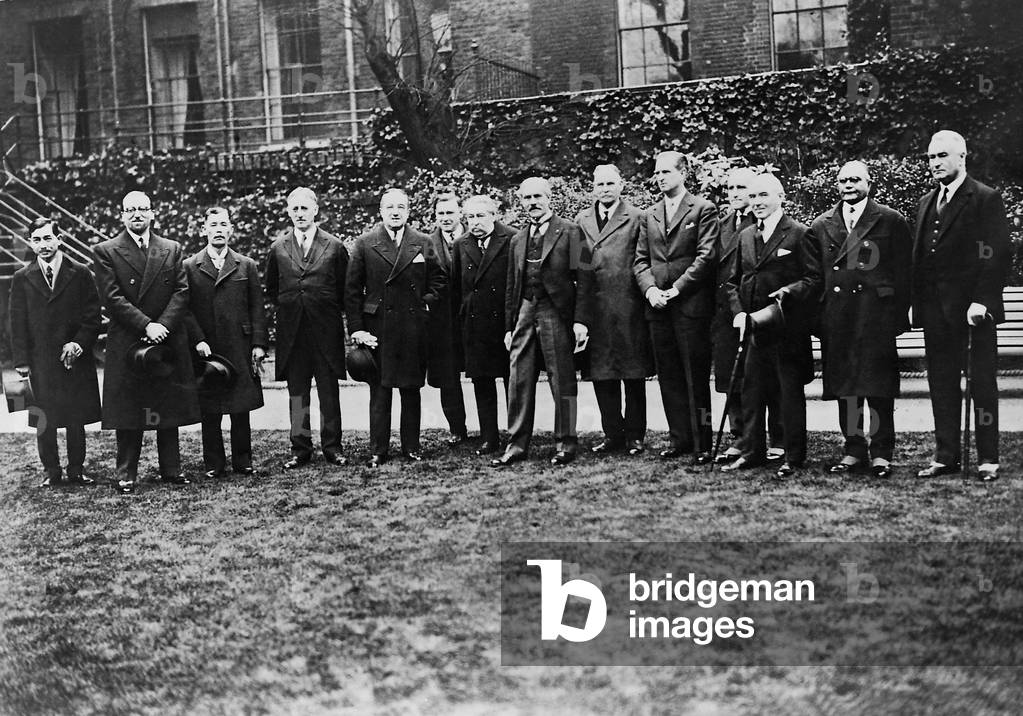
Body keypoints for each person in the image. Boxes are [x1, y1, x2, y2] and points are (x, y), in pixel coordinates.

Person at [912, 130, 1011, 482]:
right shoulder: (926, 203)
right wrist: (917, 304)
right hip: (936, 314)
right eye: (930, 157)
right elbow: (920, 259)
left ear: (961, 157)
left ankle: (987, 459)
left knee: (982, 384)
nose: (935, 163)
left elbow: (996, 255)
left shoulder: (985, 198)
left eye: (941, 156)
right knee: (941, 384)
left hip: (974, 314)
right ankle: (946, 456)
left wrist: (982, 300)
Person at [92, 191, 201, 493]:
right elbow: (111, 297)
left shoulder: (171, 248)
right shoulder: (106, 250)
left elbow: (181, 291)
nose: (137, 214)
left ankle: (172, 468)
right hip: (128, 339)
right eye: (131, 209)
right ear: (122, 215)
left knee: (167, 404)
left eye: (142, 209)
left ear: (153, 213)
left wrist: (162, 326)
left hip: (166, 338)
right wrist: (145, 325)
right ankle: (126, 472)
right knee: (130, 409)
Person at [809, 161, 912, 478]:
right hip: (838, 318)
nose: (848, 185)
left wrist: (895, 316)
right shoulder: (822, 224)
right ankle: (854, 448)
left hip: (875, 318)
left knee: (878, 389)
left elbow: (905, 272)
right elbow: (814, 277)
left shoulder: (890, 219)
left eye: (855, 179)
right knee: (847, 390)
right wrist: (821, 318)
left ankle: (881, 452)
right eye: (842, 180)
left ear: (869, 182)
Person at [721, 174, 819, 478]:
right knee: (751, 392)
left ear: (781, 196)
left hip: (786, 330)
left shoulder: (800, 233)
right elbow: (732, 280)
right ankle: (752, 452)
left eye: (763, 195)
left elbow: (813, 279)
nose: (757, 202)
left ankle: (793, 455)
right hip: (752, 330)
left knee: (788, 394)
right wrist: (738, 312)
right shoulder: (746, 235)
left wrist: (788, 293)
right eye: (753, 197)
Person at [492, 177, 592, 467]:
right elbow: (513, 284)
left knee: (562, 379)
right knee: (518, 378)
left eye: (538, 196)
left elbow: (586, 278)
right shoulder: (517, 239)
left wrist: (580, 320)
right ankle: (516, 444)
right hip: (525, 309)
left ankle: (566, 442)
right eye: (527, 198)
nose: (533, 203)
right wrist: (510, 326)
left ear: (550, 198)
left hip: (556, 312)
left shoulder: (573, 232)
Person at [346, 188, 445, 467]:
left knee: (411, 389)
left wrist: (425, 303)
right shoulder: (365, 243)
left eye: (401, 207)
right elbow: (352, 290)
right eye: (389, 207)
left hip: (413, 326)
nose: (395, 212)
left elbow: (439, 281)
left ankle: (411, 447)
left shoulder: (423, 242)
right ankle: (378, 449)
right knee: (380, 390)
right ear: (380, 211)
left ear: (408, 211)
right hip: (378, 328)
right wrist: (356, 329)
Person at [633, 150, 718, 463]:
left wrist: (676, 289)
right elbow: (641, 259)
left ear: (683, 173)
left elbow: (706, 257)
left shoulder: (703, 209)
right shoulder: (649, 214)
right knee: (668, 377)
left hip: (690, 307)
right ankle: (679, 438)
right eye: (657, 172)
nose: (660, 177)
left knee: (696, 379)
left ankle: (703, 442)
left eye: (667, 172)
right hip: (658, 308)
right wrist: (651, 290)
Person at [9, 217, 102, 487]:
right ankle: (51, 471)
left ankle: (76, 469)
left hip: (74, 359)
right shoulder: (22, 278)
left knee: (76, 417)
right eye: (36, 239)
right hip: (40, 363)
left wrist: (79, 343)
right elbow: (17, 323)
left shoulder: (81, 272)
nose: (43, 245)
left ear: (59, 239)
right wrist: (22, 362)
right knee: (42, 418)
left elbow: (93, 316)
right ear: (30, 242)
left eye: (48, 238)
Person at [265, 187, 349, 469]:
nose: (300, 214)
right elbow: (273, 289)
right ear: (288, 212)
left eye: (305, 208)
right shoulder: (278, 247)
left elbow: (344, 289)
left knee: (329, 392)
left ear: (315, 210)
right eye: (294, 209)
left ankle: (332, 446)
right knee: (297, 393)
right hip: (293, 334)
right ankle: (300, 448)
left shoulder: (334, 246)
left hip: (325, 332)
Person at [574, 164, 654, 456]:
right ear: (593, 188)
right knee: (601, 374)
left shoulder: (637, 218)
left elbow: (644, 260)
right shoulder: (581, 220)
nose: (605, 189)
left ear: (622, 185)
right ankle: (612, 435)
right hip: (595, 309)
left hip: (628, 306)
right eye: (600, 184)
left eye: (610, 183)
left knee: (633, 374)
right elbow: (579, 265)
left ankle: (635, 436)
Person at [184, 207, 268, 479]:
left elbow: (257, 307)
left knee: (240, 407)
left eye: (223, 225)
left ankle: (243, 461)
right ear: (204, 230)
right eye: (213, 225)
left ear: (231, 230)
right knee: (210, 408)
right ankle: (214, 463)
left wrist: (258, 344)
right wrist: (197, 340)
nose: (218, 229)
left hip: (239, 345)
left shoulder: (247, 265)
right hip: (207, 349)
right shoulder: (190, 266)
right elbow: (185, 309)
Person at [712, 167, 785, 464]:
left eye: (743, 187)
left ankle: (777, 437)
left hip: (766, 313)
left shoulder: (766, 223)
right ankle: (740, 436)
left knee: (770, 379)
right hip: (731, 313)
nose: (736, 194)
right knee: (734, 379)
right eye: (731, 188)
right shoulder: (721, 224)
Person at [450, 195, 517, 455]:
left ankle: (516, 434)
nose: (474, 222)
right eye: (470, 217)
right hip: (475, 327)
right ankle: (489, 436)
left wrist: (513, 323)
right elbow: (457, 289)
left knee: (513, 383)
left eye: (480, 216)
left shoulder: (512, 239)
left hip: (505, 325)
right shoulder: (461, 244)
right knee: (482, 384)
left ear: (494, 214)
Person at [426, 192, 468, 446]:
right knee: (448, 379)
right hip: (442, 324)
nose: (445, 218)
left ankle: (493, 429)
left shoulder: (474, 237)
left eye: (450, 213)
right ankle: (457, 429)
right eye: (441, 214)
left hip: (473, 319)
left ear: (460, 213)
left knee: (486, 374)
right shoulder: (426, 243)